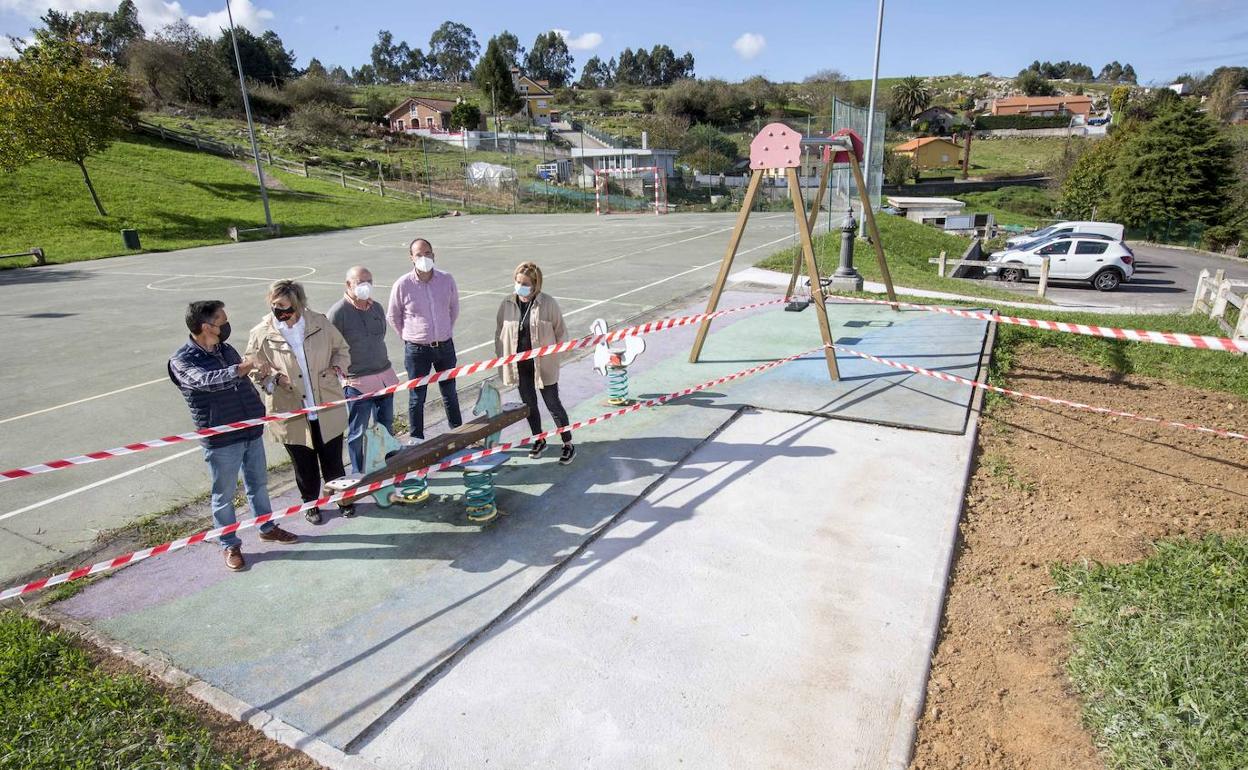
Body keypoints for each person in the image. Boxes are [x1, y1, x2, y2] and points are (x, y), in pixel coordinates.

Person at [168, 300, 298, 572]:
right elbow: (205, 382)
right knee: (223, 494)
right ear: (206, 327)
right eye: (222, 321)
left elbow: (242, 378)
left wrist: (265, 375)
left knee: (258, 484)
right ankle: (229, 542)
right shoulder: (182, 360)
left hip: (250, 427)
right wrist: (241, 368)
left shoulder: (226, 350)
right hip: (221, 438)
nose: (226, 326)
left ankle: (266, 526)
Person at [246, 280, 351, 525]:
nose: (280, 312)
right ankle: (310, 503)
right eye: (275, 306)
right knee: (303, 463)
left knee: (333, 459)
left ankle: (342, 498)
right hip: (290, 408)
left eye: (285, 307)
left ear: (298, 304)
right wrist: (272, 377)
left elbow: (342, 349)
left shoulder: (320, 322)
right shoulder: (261, 333)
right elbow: (252, 366)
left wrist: (337, 368)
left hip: (325, 402)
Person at [495, 261, 576, 465]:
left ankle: (568, 444)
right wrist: (502, 357)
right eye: (517, 281)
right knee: (529, 406)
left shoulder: (548, 304)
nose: (520, 286)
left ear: (536, 285)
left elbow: (561, 334)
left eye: (525, 283)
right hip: (520, 367)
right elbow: (499, 333)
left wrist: (553, 358)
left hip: (543, 366)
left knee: (553, 405)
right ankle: (538, 439)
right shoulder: (507, 304)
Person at [387, 238, 462, 441]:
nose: (424, 258)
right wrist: (409, 336)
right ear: (411, 257)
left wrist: (444, 331)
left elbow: (453, 309)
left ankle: (458, 433)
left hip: (445, 347)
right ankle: (417, 439)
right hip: (417, 350)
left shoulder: (447, 280)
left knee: (450, 393)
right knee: (416, 396)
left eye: (427, 253)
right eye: (419, 254)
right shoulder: (403, 285)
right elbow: (393, 316)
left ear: (434, 254)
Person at [328, 266, 400, 474]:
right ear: (348, 285)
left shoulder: (376, 307)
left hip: (384, 377)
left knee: (385, 426)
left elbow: (381, 335)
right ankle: (358, 472)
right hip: (357, 383)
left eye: (369, 281)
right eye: (360, 282)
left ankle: (388, 465)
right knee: (357, 431)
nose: (365, 286)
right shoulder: (337, 313)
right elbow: (332, 347)